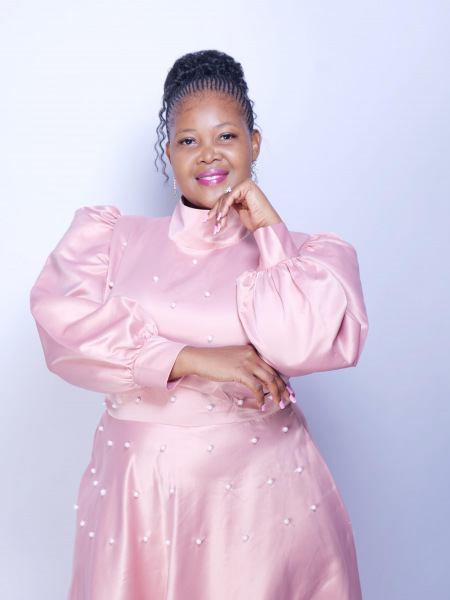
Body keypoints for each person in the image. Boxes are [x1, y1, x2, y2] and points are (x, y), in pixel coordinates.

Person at [30, 49, 368, 600]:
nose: (208, 154)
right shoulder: (111, 239)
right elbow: (64, 333)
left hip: (263, 499)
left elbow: (301, 344)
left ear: (254, 142)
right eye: (188, 140)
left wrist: (270, 232)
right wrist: (193, 359)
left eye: (226, 136)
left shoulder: (308, 257)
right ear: (169, 152)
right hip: (140, 495)